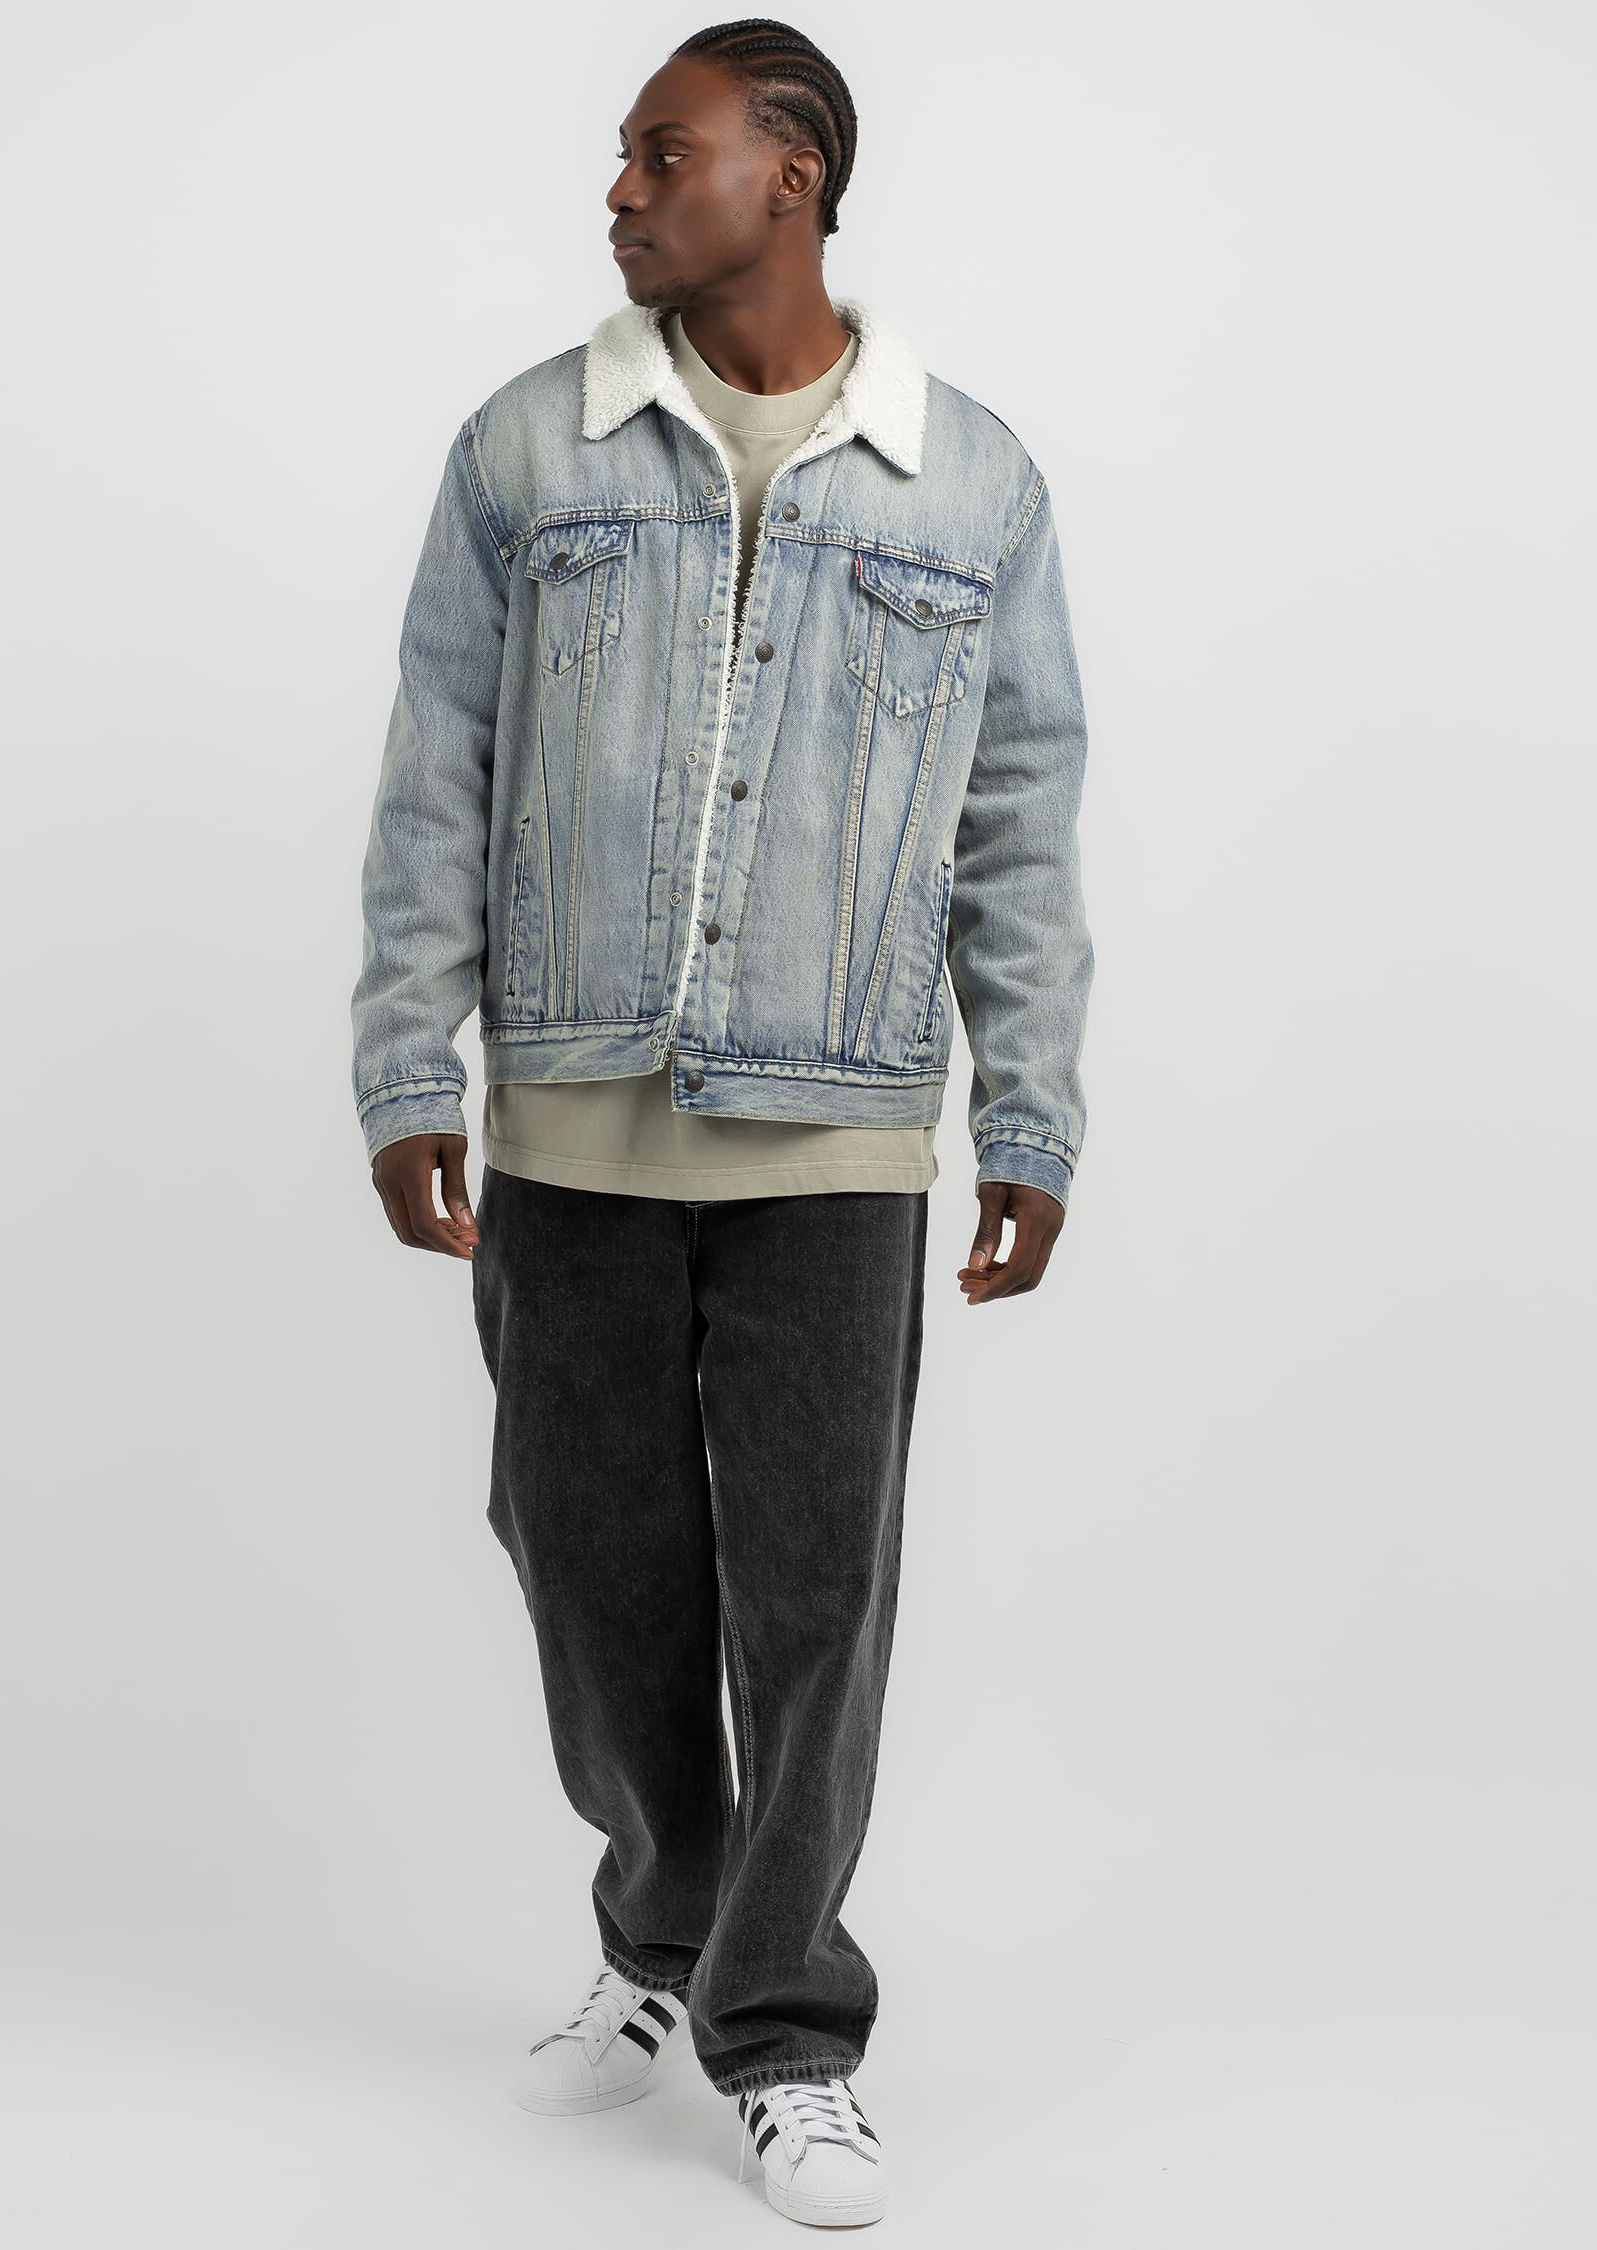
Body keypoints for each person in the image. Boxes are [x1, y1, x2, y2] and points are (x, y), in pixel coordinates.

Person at [350, 19, 1095, 2227]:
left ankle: (783, 2029)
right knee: (589, 1572)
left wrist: (1033, 1109)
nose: (619, 190)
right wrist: (408, 1062)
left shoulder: (970, 481)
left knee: (815, 1600)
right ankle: (660, 1929)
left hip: (837, 1140)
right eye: (621, 157)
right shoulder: (527, 449)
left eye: (660, 155)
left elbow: (1021, 818)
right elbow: (436, 772)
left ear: (795, 175)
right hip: (571, 1129)